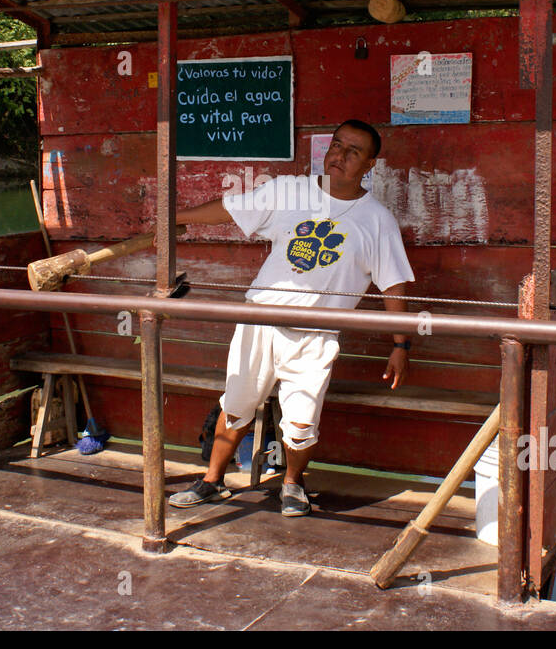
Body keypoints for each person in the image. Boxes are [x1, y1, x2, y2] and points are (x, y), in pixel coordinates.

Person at [168, 119, 414, 517]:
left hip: (315, 337)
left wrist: (401, 344)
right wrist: (177, 216)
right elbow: (232, 208)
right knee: (236, 406)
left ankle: (293, 483)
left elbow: (393, 285)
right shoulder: (290, 191)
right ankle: (211, 482)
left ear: (370, 165)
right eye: (337, 145)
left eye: (354, 152)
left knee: (301, 425)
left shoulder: (377, 221)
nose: (340, 155)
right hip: (260, 321)